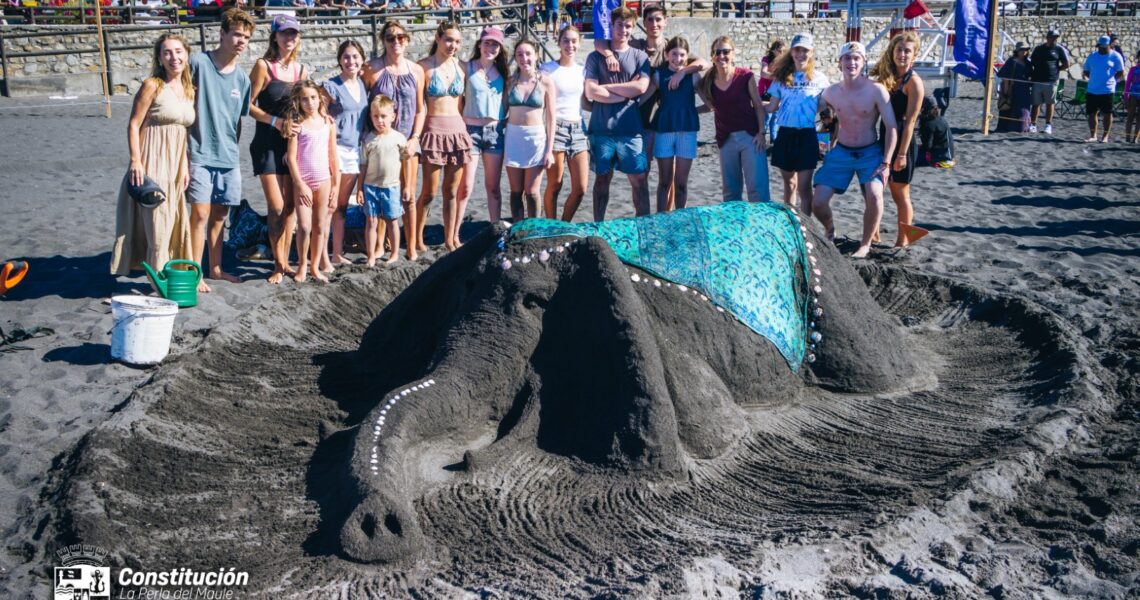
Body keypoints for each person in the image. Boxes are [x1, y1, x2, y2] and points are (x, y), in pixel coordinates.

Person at [110, 33, 196, 283]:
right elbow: (134, 124)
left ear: (187, 54)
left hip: (177, 163)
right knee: (157, 220)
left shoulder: (189, 90)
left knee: (172, 219)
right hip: (153, 159)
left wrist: (187, 165)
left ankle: (167, 274)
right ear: (159, 57)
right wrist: (136, 160)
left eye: (178, 51)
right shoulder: (153, 85)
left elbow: (185, 132)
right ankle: (157, 281)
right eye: (167, 52)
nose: (174, 57)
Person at [810, 41, 898, 259]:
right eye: (847, 58)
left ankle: (865, 244)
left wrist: (886, 162)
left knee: (875, 197)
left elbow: (892, 126)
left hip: (870, 152)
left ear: (864, 62)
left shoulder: (876, 90)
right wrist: (824, 148)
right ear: (840, 62)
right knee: (818, 202)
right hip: (841, 152)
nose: (852, 62)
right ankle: (830, 230)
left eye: (856, 58)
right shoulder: (830, 92)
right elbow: (821, 121)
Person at [187, 8, 253, 290]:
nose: (241, 40)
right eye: (236, 34)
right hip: (199, 152)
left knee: (220, 217)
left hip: (228, 156)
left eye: (246, 37)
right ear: (222, 34)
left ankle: (215, 268)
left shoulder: (242, 79)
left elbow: (237, 122)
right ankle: (194, 272)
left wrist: (231, 150)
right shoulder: (198, 63)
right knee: (199, 215)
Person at [248, 14, 306, 284]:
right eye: (284, 33)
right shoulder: (263, 66)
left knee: (291, 208)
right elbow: (247, 106)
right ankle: (278, 264)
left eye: (293, 34)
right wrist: (275, 120)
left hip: (290, 145)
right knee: (276, 206)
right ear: (274, 36)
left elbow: (307, 105)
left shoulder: (301, 71)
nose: (289, 38)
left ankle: (283, 259)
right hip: (267, 143)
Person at [363, 20, 425, 260]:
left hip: (407, 142)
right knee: (379, 193)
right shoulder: (373, 69)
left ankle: (409, 246)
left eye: (400, 37)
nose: (396, 41)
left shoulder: (416, 70)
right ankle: (380, 246)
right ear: (383, 41)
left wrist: (415, 138)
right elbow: (362, 103)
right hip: (379, 143)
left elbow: (421, 109)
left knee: (408, 195)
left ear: (407, 40)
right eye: (390, 38)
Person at [583, 7, 651, 220]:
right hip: (602, 129)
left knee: (639, 180)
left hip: (631, 130)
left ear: (633, 28)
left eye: (628, 25)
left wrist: (609, 88)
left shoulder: (640, 56)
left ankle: (643, 225)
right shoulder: (595, 56)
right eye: (619, 25)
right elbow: (591, 91)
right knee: (602, 179)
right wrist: (623, 94)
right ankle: (599, 225)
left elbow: (641, 88)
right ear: (612, 26)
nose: (623, 29)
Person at [416, 21, 472, 251]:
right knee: (429, 191)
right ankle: (417, 238)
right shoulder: (423, 67)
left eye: (457, 41)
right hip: (433, 130)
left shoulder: (462, 67)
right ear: (438, 38)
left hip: (457, 131)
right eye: (448, 39)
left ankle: (450, 238)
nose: (453, 45)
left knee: (451, 191)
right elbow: (418, 105)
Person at [869, 31, 927, 248]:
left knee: (900, 193)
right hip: (883, 138)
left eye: (907, 51)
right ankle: (873, 236)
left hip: (903, 141)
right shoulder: (887, 77)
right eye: (899, 50)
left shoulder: (914, 82)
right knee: (875, 190)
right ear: (892, 52)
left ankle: (903, 241)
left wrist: (901, 154)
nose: (902, 54)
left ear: (914, 55)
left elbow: (911, 122)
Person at [697, 35, 770, 203]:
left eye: (726, 51)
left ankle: (760, 226)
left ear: (733, 53)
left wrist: (761, 133)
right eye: (717, 52)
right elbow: (710, 106)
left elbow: (758, 105)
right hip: (725, 139)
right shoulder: (707, 81)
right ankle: (735, 227)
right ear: (712, 56)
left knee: (757, 189)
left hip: (750, 137)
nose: (722, 56)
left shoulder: (745, 76)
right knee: (730, 192)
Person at [766, 31, 828, 210]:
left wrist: (825, 143)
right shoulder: (781, 77)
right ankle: (792, 221)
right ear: (791, 52)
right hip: (785, 133)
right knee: (789, 184)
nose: (801, 54)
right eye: (797, 50)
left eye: (805, 50)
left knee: (804, 187)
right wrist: (749, 106)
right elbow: (771, 107)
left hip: (807, 134)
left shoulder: (820, 78)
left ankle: (806, 227)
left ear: (812, 52)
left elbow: (827, 108)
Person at [285, 81, 339, 282]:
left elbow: (333, 156)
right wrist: (299, 184)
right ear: (298, 101)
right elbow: (291, 158)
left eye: (313, 97)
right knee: (305, 226)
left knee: (319, 225)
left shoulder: (328, 124)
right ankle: (301, 266)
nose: (310, 102)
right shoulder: (298, 126)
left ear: (320, 98)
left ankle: (315, 267)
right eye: (304, 99)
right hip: (303, 182)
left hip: (324, 180)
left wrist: (335, 184)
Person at [322, 40, 369, 266]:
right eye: (346, 57)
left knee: (341, 206)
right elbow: (319, 116)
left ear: (362, 59)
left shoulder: (362, 84)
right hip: (336, 149)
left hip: (355, 151)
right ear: (340, 60)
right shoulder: (331, 86)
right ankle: (321, 256)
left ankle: (336, 253)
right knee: (328, 206)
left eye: (355, 56)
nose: (351, 61)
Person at [458, 27, 508, 223]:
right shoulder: (467, 68)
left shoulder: (503, 71)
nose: (490, 47)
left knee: (493, 187)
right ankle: (454, 232)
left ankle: (495, 228)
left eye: (495, 44)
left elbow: (506, 100)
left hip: (495, 132)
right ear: (479, 44)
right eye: (487, 42)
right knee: (466, 187)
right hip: (470, 132)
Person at [503, 39, 555, 220]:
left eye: (528, 54)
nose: (524, 58)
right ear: (515, 58)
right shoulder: (510, 82)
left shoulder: (546, 82)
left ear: (536, 55)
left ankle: (534, 228)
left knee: (532, 191)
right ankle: (518, 228)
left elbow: (551, 118)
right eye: (519, 54)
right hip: (513, 137)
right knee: (516, 191)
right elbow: (502, 112)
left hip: (536, 139)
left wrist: (549, 150)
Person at [541, 25, 588, 221]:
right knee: (555, 184)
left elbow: (587, 100)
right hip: (556, 128)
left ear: (579, 43)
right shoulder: (548, 69)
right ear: (559, 43)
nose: (570, 45)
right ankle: (552, 225)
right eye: (566, 40)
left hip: (578, 129)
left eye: (574, 41)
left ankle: (565, 222)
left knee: (580, 188)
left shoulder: (583, 70)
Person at [647, 36, 701, 212]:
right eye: (674, 54)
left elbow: (710, 104)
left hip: (687, 132)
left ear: (687, 55)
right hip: (664, 130)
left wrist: (692, 112)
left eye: (682, 55)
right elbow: (644, 97)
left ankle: (681, 217)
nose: (678, 59)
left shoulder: (692, 76)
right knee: (664, 182)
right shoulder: (658, 75)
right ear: (667, 54)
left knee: (681, 184)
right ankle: (661, 218)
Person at [359, 96, 409, 266]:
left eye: (383, 116)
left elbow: (406, 163)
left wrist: (407, 186)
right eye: (375, 116)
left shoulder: (399, 138)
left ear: (392, 117)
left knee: (392, 220)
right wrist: (359, 188)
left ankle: (394, 253)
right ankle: (371, 255)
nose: (379, 120)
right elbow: (363, 166)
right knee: (371, 221)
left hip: (392, 186)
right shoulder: (368, 139)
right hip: (371, 186)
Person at [1083, 35, 1126, 143]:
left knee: (1107, 113)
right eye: (1099, 47)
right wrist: (1094, 79)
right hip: (1092, 89)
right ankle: (1093, 135)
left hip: (1107, 90)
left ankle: (1105, 136)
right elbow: (1086, 71)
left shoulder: (1116, 56)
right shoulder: (1092, 56)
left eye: (1103, 47)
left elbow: (1120, 72)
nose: (1101, 49)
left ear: (1109, 45)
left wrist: (1112, 81)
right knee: (1092, 113)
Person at [1029, 28, 1069, 135]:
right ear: (1047, 37)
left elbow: (1066, 64)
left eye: (1056, 37)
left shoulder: (1059, 49)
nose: (1054, 39)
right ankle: (1033, 124)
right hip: (1037, 79)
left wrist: (1056, 70)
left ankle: (1048, 125)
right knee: (1035, 103)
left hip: (1051, 80)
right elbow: (1032, 62)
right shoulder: (1038, 49)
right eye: (1052, 37)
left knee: (1050, 103)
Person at [996, 41, 1032, 133]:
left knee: (1024, 110)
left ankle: (1024, 127)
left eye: (1026, 50)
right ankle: (1008, 128)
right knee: (1008, 108)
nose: (1024, 51)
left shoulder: (1028, 62)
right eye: (1022, 50)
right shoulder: (1011, 61)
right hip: (1013, 90)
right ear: (1017, 51)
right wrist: (1006, 92)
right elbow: (1005, 77)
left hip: (1024, 90)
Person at [758, 39, 786, 142]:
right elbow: (763, 73)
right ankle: (761, 140)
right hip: (766, 92)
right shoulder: (766, 59)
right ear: (774, 50)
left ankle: (773, 141)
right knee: (767, 117)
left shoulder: (784, 61)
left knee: (775, 118)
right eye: (780, 50)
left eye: (783, 51)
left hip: (778, 92)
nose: (782, 53)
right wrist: (777, 76)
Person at [1123, 50, 1140, 143]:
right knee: (1130, 116)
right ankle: (1127, 137)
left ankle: (1135, 138)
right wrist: (1125, 97)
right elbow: (1127, 84)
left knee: (1139, 118)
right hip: (1133, 95)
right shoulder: (1133, 69)